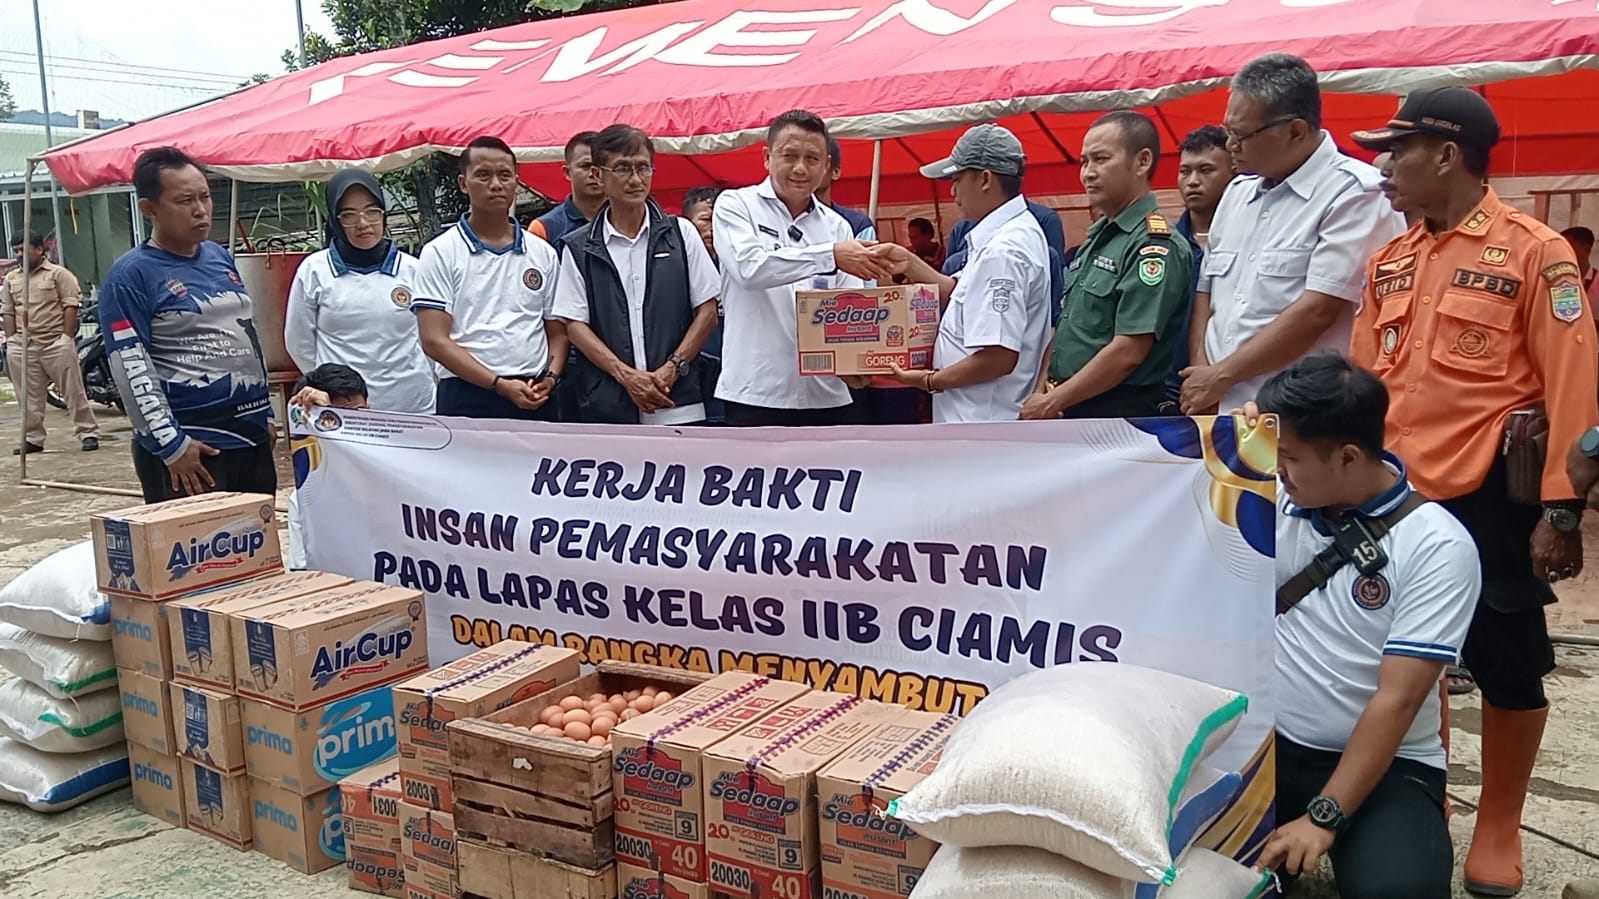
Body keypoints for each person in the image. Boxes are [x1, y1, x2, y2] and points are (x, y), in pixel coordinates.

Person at [1348, 86, 1599, 896]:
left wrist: (1560, 509)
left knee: (1507, 657)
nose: (1384, 166)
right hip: (1390, 500)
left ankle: (1497, 822)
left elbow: (1572, 386)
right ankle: (1419, 795)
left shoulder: (1535, 252)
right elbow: (1359, 383)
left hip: (1488, 495)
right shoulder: (1389, 260)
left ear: (1445, 154)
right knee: (1394, 659)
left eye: (1397, 149)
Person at [1247, 353, 1477, 899]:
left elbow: (1396, 702)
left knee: (1400, 890)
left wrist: (1322, 818)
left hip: (1389, 767)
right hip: (1266, 751)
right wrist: (1234, 435)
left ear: (1348, 456)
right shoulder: (1268, 497)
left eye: (1288, 458)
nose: (1275, 469)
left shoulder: (1437, 546)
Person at [1180, 53, 1403, 414]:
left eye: (1241, 135)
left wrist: (1222, 376)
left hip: (1297, 419)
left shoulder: (1354, 194)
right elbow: (1207, 293)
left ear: (1296, 131)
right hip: (1217, 408)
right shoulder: (1237, 193)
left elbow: (1318, 310)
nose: (1231, 147)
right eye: (1228, 133)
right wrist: (1202, 375)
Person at [100, 147, 275, 503]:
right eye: (185, 201)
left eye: (205, 197)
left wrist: (266, 413)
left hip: (251, 438)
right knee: (196, 558)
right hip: (193, 451)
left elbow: (246, 337)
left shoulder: (218, 256)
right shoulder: (130, 276)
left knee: (257, 556)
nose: (200, 210)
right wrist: (171, 445)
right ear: (150, 209)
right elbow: (131, 367)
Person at [711, 110, 890, 426]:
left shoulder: (837, 227)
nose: (800, 168)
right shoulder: (735, 206)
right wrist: (829, 257)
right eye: (789, 155)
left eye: (812, 159)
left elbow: (847, 308)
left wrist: (856, 361)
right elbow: (750, 269)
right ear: (767, 157)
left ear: (826, 167)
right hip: (756, 391)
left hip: (827, 393)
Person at [868, 124, 1051, 422]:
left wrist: (929, 381)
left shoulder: (1003, 251)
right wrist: (910, 264)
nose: (952, 191)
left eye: (956, 179)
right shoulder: (1010, 234)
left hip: (982, 420)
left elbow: (998, 357)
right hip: (981, 418)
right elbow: (961, 293)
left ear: (985, 179)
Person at [1022, 111, 1192, 420]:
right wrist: (1043, 391)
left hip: (1118, 413)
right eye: (1085, 161)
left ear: (1142, 162)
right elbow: (1068, 325)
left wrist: (1051, 401)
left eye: (1101, 159)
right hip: (1069, 404)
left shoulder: (1154, 244)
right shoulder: (1100, 236)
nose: (1088, 172)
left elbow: (1128, 350)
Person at [552, 125, 721, 424]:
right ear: (598, 175)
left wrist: (673, 367)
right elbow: (575, 325)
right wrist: (626, 376)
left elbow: (707, 310)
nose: (635, 179)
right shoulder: (579, 247)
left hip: (678, 401)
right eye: (622, 169)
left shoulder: (680, 234)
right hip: (610, 406)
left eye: (643, 168)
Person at [412, 135, 567, 420]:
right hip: (467, 394)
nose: (496, 184)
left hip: (535, 391)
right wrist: (498, 385)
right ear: (463, 183)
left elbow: (557, 330)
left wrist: (551, 377)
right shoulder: (441, 252)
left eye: (504, 175)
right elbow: (434, 340)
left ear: (516, 182)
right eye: (483, 175)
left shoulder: (542, 253)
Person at [284, 169, 432, 414]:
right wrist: (333, 385)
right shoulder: (314, 271)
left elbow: (430, 338)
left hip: (412, 405)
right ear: (334, 218)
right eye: (349, 215)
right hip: (344, 410)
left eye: (372, 211)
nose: (363, 223)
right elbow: (299, 343)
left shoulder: (413, 270)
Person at [2, 231, 99, 454]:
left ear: (39, 249)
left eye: (23, 249)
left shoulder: (59, 274)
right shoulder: (12, 279)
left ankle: (88, 432)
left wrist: (66, 338)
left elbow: (70, 306)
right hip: (23, 346)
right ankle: (33, 438)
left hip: (54, 342)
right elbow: (7, 311)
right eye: (15, 250)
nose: (18, 255)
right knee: (27, 395)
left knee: (72, 390)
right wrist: (12, 339)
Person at [1164, 125, 1232, 408]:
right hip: (1167, 392)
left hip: (1232, 387)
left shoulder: (1245, 242)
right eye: (1185, 171)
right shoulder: (1164, 244)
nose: (1193, 181)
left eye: (1206, 170)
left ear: (1234, 174)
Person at [285, 363, 368, 570]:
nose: (347, 427)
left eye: (356, 415)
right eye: (335, 419)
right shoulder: (306, 495)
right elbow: (303, 573)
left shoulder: (396, 471)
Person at [683, 186, 726, 423]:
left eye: (721, 220)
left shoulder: (738, 267)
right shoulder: (677, 267)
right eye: (707, 220)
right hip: (694, 375)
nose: (714, 228)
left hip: (731, 376)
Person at [530, 131, 603, 248]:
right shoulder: (543, 228)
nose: (593, 173)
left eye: (599, 166)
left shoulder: (628, 221)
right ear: (567, 172)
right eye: (585, 166)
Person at [817, 137, 876, 241]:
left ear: (835, 172)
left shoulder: (858, 224)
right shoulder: (782, 219)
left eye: (815, 160)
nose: (804, 168)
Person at [1560, 226, 1597, 303]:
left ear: (1587, 249)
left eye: (1569, 248)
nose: (1563, 252)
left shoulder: (1597, 282)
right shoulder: (1557, 280)